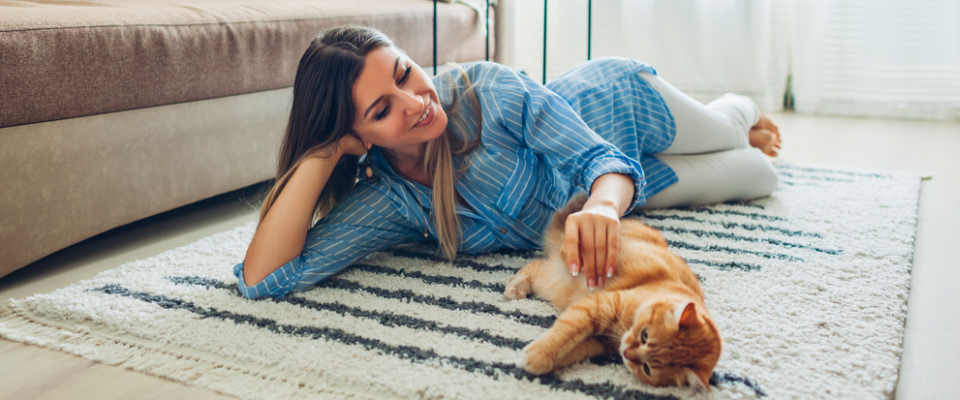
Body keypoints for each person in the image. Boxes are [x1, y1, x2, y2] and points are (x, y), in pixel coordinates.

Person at [235, 25, 782, 300]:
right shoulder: (390, 198)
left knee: (729, 133)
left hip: (623, 110)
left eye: (404, 73)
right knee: (760, 175)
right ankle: (739, 134)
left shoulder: (486, 90)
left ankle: (738, 109)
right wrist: (322, 155)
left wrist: (604, 209)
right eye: (382, 110)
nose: (416, 103)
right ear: (359, 137)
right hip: (636, 184)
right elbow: (265, 279)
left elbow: (599, 158)